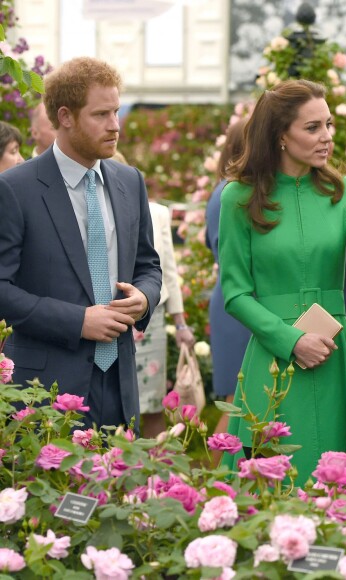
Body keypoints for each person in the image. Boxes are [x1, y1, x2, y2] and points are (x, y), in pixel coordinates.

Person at [219, 79, 346, 495]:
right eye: (313, 127)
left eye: (329, 125)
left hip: (336, 354)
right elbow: (235, 294)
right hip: (274, 356)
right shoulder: (238, 197)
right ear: (281, 136)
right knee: (273, 479)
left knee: (343, 480)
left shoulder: (341, 193)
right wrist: (291, 340)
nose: (327, 137)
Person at [0, 57, 162, 432]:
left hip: (120, 384)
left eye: (116, 111)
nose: (115, 125)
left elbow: (148, 265)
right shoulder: (14, 189)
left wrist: (144, 298)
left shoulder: (130, 180)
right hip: (44, 391)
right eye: (101, 114)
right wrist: (78, 321)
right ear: (66, 116)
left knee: (119, 488)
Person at [112, 150, 196, 438]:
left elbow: (167, 271)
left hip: (150, 318)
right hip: (111, 313)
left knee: (152, 402)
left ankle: (155, 473)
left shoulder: (158, 212)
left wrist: (181, 323)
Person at [205, 119, 251, 464]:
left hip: (231, 300)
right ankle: (215, 480)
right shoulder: (232, 193)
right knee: (238, 402)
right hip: (240, 305)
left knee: (241, 400)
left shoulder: (221, 189)